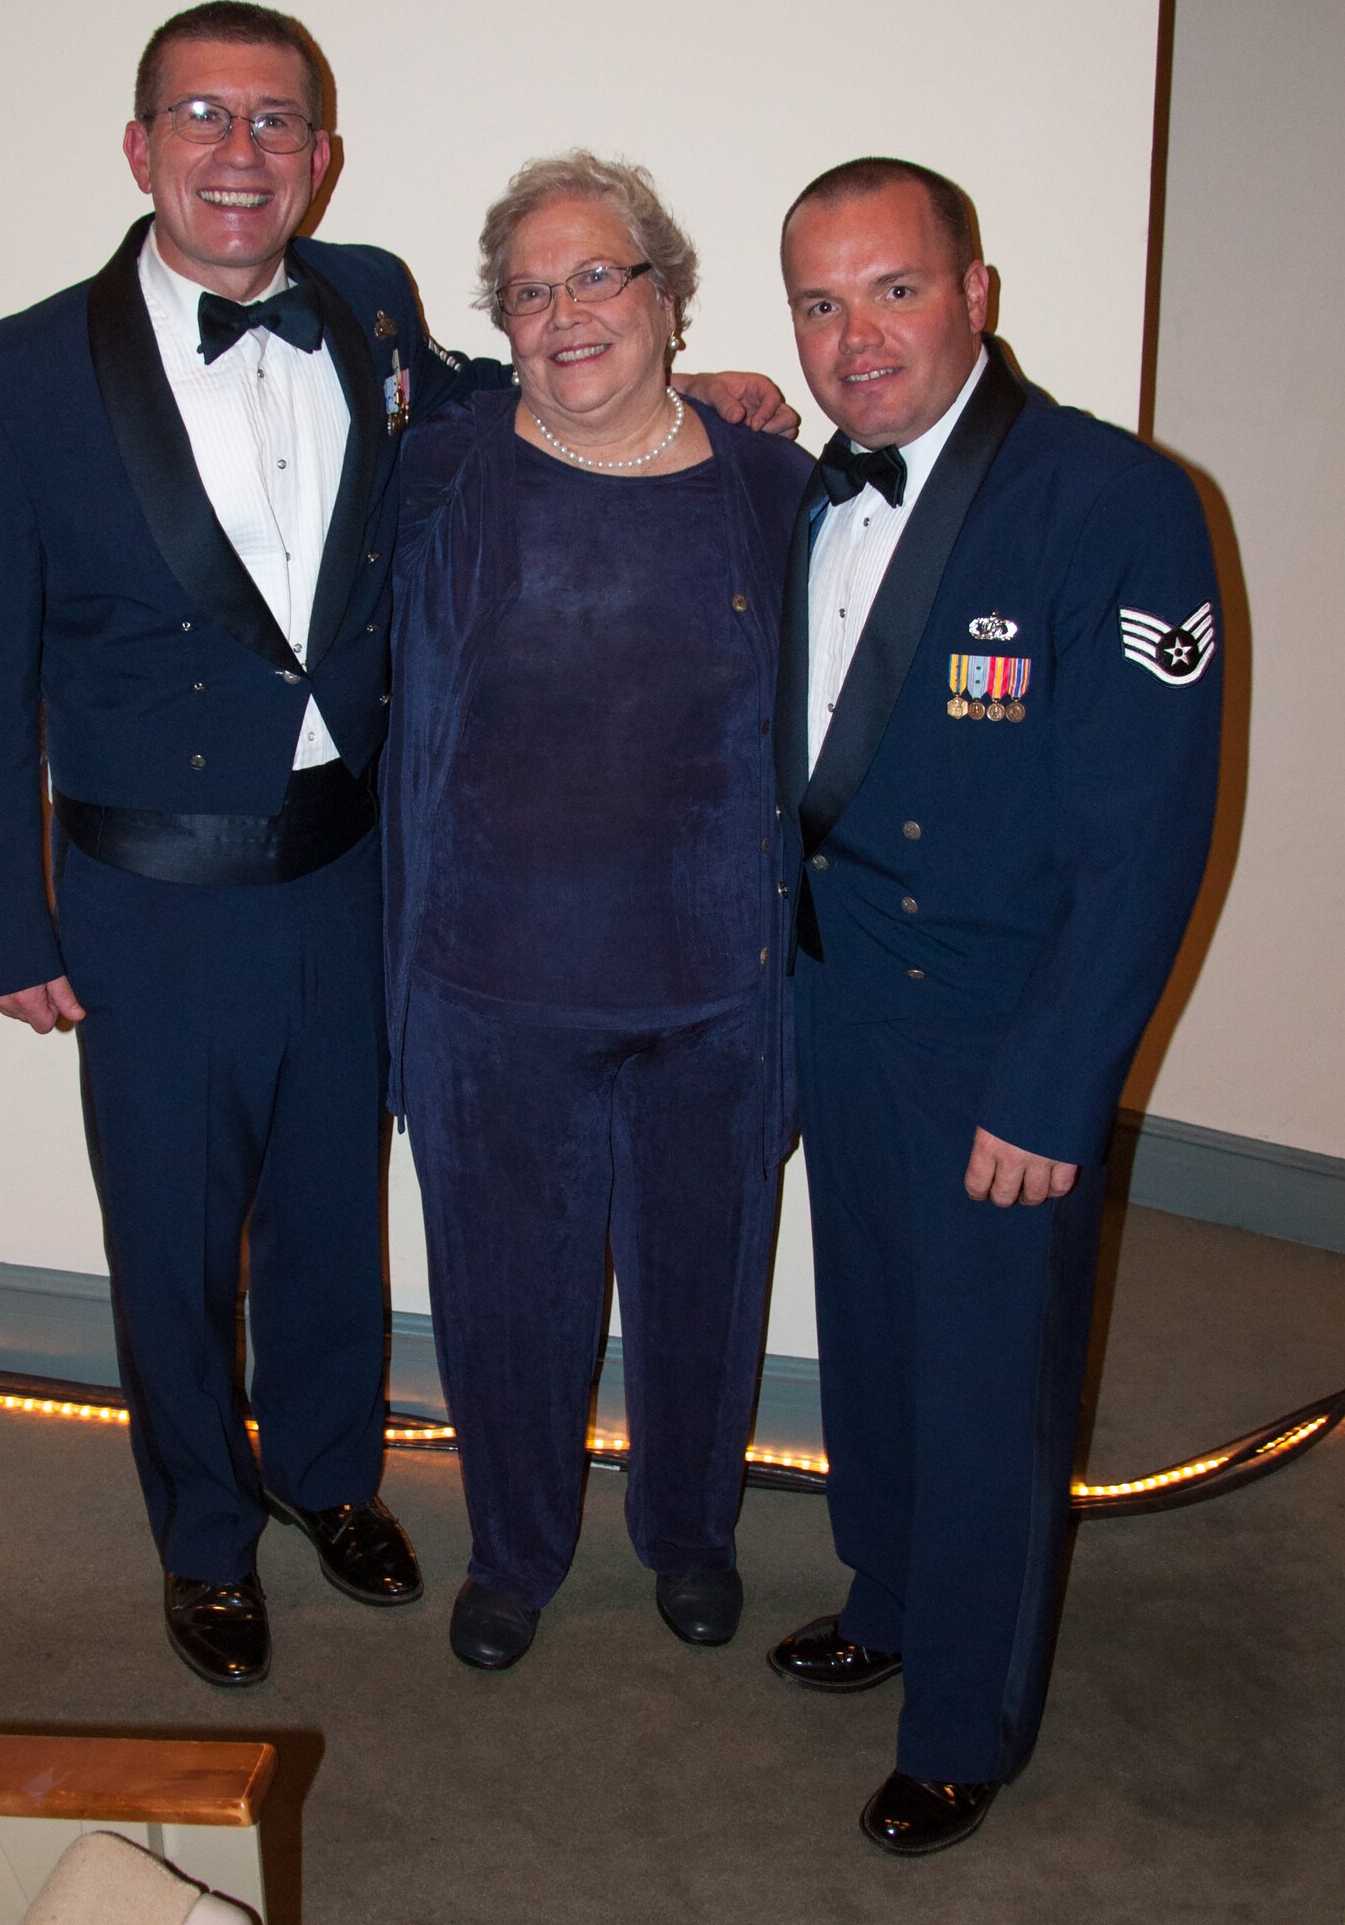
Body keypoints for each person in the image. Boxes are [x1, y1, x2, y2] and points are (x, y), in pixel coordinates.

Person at [0, 1, 792, 1689]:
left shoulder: (372, 301)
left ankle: (327, 1479)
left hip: (350, 871)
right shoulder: (6, 376)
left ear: (320, 157)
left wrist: (712, 377)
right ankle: (202, 1535)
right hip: (149, 890)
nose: (239, 153)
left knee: (331, 1210)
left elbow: (505, 390)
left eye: (274, 123)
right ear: (140, 146)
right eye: (202, 117)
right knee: (173, 1238)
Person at [769, 158, 1222, 1852]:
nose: (856, 335)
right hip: (834, 1000)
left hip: (994, 1032)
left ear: (979, 293)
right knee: (878, 1348)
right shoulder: (805, 489)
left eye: (894, 290)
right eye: (820, 300)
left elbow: (1145, 843)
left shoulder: (1113, 501)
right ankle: (888, 1597)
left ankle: (967, 1717)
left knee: (989, 1393)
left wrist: (1057, 1087)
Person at [383, 154, 811, 1671]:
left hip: (716, 991)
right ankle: (514, 1552)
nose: (567, 312)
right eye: (530, 289)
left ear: (668, 300)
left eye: (599, 278)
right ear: (499, 322)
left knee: (708, 1290)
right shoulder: (439, 472)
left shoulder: (774, 488)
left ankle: (690, 1535)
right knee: (504, 1306)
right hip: (491, 989)